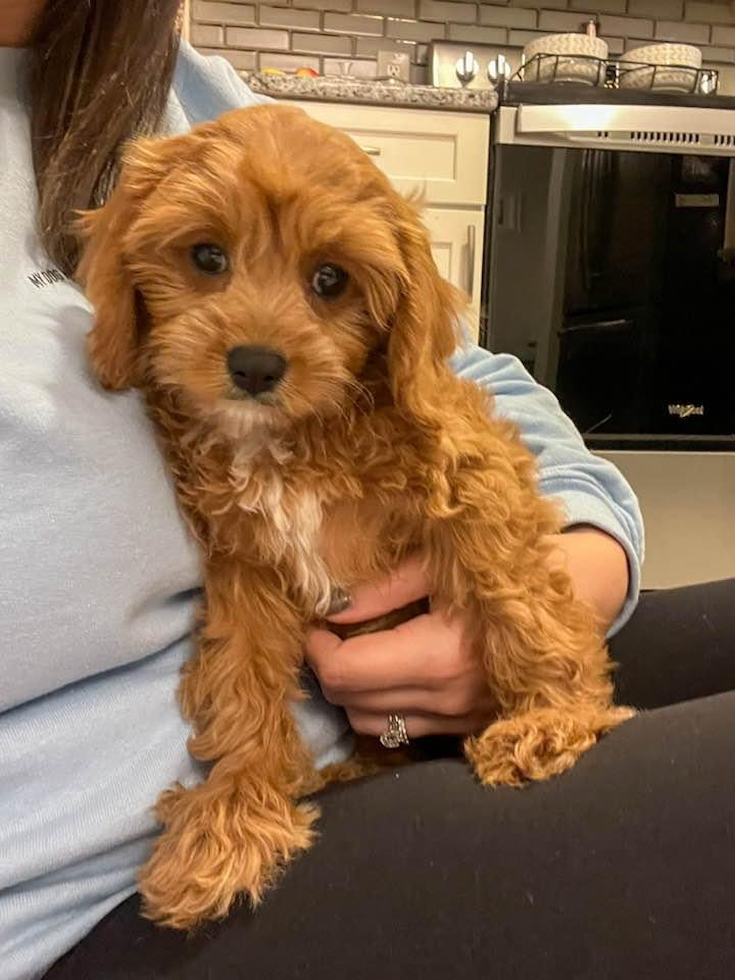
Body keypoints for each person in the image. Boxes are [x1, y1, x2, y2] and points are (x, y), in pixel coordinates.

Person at [1, 2, 733, 978]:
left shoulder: (167, 80)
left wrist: (578, 573)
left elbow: (478, 398)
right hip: (86, 887)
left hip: (456, 651)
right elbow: (246, 597)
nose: (259, 333)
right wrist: (248, 771)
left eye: (329, 283)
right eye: (207, 261)